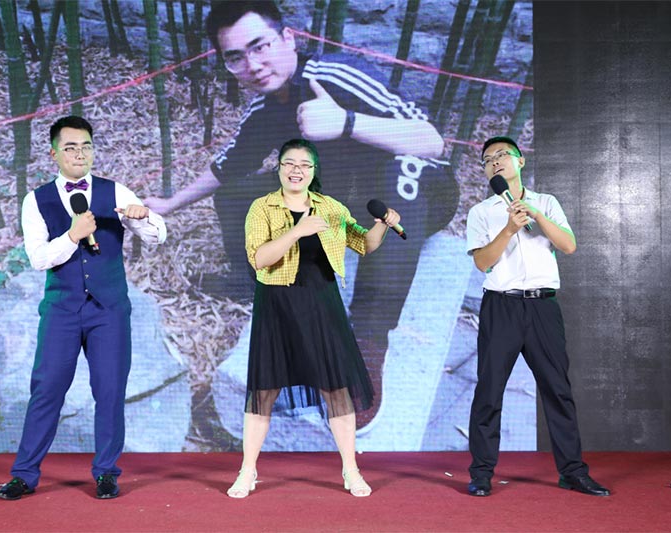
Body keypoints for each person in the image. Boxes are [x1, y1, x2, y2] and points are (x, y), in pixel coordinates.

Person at [146, 0, 458, 429]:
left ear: (288, 38)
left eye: (260, 46)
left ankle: (368, 341)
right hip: (349, 202)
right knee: (239, 192)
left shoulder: (336, 76)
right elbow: (226, 167)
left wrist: (346, 122)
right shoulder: (264, 109)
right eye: (236, 57)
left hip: (416, 193)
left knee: (400, 170)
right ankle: (249, 278)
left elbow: (432, 142)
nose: (253, 65)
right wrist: (169, 204)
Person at [0, 115, 167, 500]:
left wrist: (145, 218)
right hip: (62, 309)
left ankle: (106, 472)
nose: (79, 154)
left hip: (109, 310)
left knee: (110, 390)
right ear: (54, 153)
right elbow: (39, 258)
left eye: (86, 146)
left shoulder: (115, 190)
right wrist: (72, 236)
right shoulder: (36, 200)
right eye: (70, 147)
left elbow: (156, 237)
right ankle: (24, 474)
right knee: (47, 389)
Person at [225, 138, 400, 498]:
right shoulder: (262, 208)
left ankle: (351, 470)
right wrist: (296, 231)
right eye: (290, 163)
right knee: (263, 391)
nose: (297, 170)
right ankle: (247, 471)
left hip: (322, 305)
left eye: (305, 165)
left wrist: (382, 225)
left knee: (336, 388)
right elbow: (259, 259)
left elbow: (363, 244)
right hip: (277, 305)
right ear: (279, 168)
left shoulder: (330, 208)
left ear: (314, 171)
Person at [464, 136, 609, 497]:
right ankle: (481, 473)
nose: (495, 162)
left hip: (543, 307)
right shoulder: (481, 212)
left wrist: (535, 215)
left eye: (502, 155)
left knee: (557, 390)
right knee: (489, 391)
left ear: (520, 161)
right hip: (501, 306)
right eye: (488, 160)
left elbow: (568, 245)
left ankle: (572, 472)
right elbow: (482, 262)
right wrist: (509, 228)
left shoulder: (546, 202)